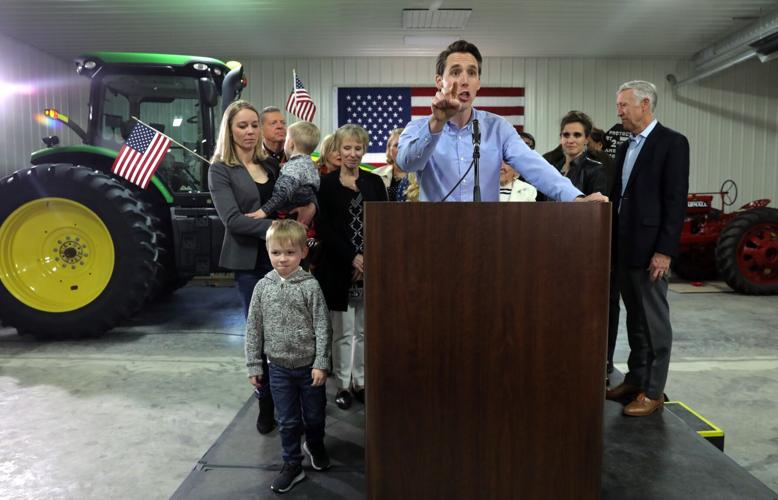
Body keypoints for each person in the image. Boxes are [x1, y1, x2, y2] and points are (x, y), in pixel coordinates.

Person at [209, 100, 316, 435]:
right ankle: (266, 402)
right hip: (250, 263)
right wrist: (279, 230)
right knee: (260, 337)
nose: (250, 131)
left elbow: (294, 194)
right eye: (242, 125)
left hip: (286, 262)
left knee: (293, 333)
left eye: (254, 125)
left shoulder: (270, 164)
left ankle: (291, 403)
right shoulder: (220, 169)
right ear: (230, 130)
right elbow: (233, 220)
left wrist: (311, 205)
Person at [397, 39, 607, 204]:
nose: (464, 80)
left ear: (478, 83)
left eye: (472, 73)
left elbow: (535, 167)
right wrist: (437, 123)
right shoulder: (418, 128)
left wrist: (575, 197)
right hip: (434, 233)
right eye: (455, 72)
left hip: (485, 234)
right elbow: (406, 163)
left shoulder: (497, 128)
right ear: (439, 81)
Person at [605, 80, 689, 417]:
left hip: (653, 251)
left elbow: (675, 201)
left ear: (645, 105)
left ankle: (653, 392)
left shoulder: (672, 143)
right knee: (636, 321)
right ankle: (636, 379)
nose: (619, 111)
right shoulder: (626, 147)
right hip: (625, 248)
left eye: (624, 105)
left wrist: (665, 251)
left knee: (655, 324)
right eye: (618, 105)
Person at [245, 219, 332, 494]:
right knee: (287, 420)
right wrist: (254, 365)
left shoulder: (310, 286)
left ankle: (315, 444)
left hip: (309, 368)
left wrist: (321, 363)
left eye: (290, 252)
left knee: (315, 416)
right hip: (279, 369)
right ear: (268, 251)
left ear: (303, 252)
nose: (282, 259)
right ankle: (292, 464)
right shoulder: (262, 287)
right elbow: (253, 329)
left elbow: (323, 326)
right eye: (276, 252)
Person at [314, 124, 388, 410]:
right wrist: (352, 257)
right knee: (343, 331)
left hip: (371, 267)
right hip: (337, 267)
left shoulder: (374, 183)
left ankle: (361, 382)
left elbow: (383, 223)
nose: (353, 153)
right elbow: (324, 227)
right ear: (337, 150)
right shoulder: (326, 184)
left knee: (364, 331)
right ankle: (343, 384)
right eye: (347, 148)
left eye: (358, 148)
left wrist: (367, 258)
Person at [245, 121, 321, 220]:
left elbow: (283, 193)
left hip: (288, 217)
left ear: (291, 144)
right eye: (273, 123)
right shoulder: (311, 165)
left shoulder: (293, 168)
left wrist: (263, 211)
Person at [549, 111, 607, 196]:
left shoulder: (596, 170)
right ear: (561, 138)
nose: (570, 140)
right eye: (566, 135)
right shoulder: (552, 168)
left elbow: (597, 203)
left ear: (586, 139)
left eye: (577, 135)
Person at [374, 128, 419, 201]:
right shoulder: (375, 175)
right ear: (389, 149)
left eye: (406, 145)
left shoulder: (423, 176)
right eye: (397, 145)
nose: (402, 149)